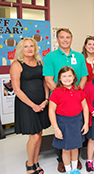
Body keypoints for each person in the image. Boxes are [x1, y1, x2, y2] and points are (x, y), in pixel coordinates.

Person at [43, 28, 88, 172]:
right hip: (60, 101)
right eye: (62, 37)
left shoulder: (79, 56)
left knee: (76, 134)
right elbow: (48, 79)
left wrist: (75, 92)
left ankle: (76, 163)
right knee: (62, 134)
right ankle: (62, 161)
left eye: (67, 37)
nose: (65, 40)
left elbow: (84, 77)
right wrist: (61, 91)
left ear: (71, 39)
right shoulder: (50, 57)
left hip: (75, 100)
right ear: (57, 39)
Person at [10, 37, 51, 174]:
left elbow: (45, 83)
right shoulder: (17, 64)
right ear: (21, 49)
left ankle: (35, 161)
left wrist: (46, 99)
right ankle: (29, 163)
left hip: (41, 103)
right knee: (34, 136)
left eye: (31, 46)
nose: (29, 49)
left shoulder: (40, 62)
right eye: (26, 46)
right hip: (27, 105)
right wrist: (33, 105)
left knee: (39, 133)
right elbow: (17, 90)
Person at [49, 66, 89, 174]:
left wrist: (86, 123)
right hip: (64, 123)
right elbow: (51, 111)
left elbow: (85, 107)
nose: (67, 78)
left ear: (74, 77)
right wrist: (56, 128)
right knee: (66, 149)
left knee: (75, 148)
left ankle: (75, 169)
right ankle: (68, 170)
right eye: (64, 76)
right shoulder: (56, 92)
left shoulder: (79, 90)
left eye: (70, 75)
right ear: (60, 79)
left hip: (77, 122)